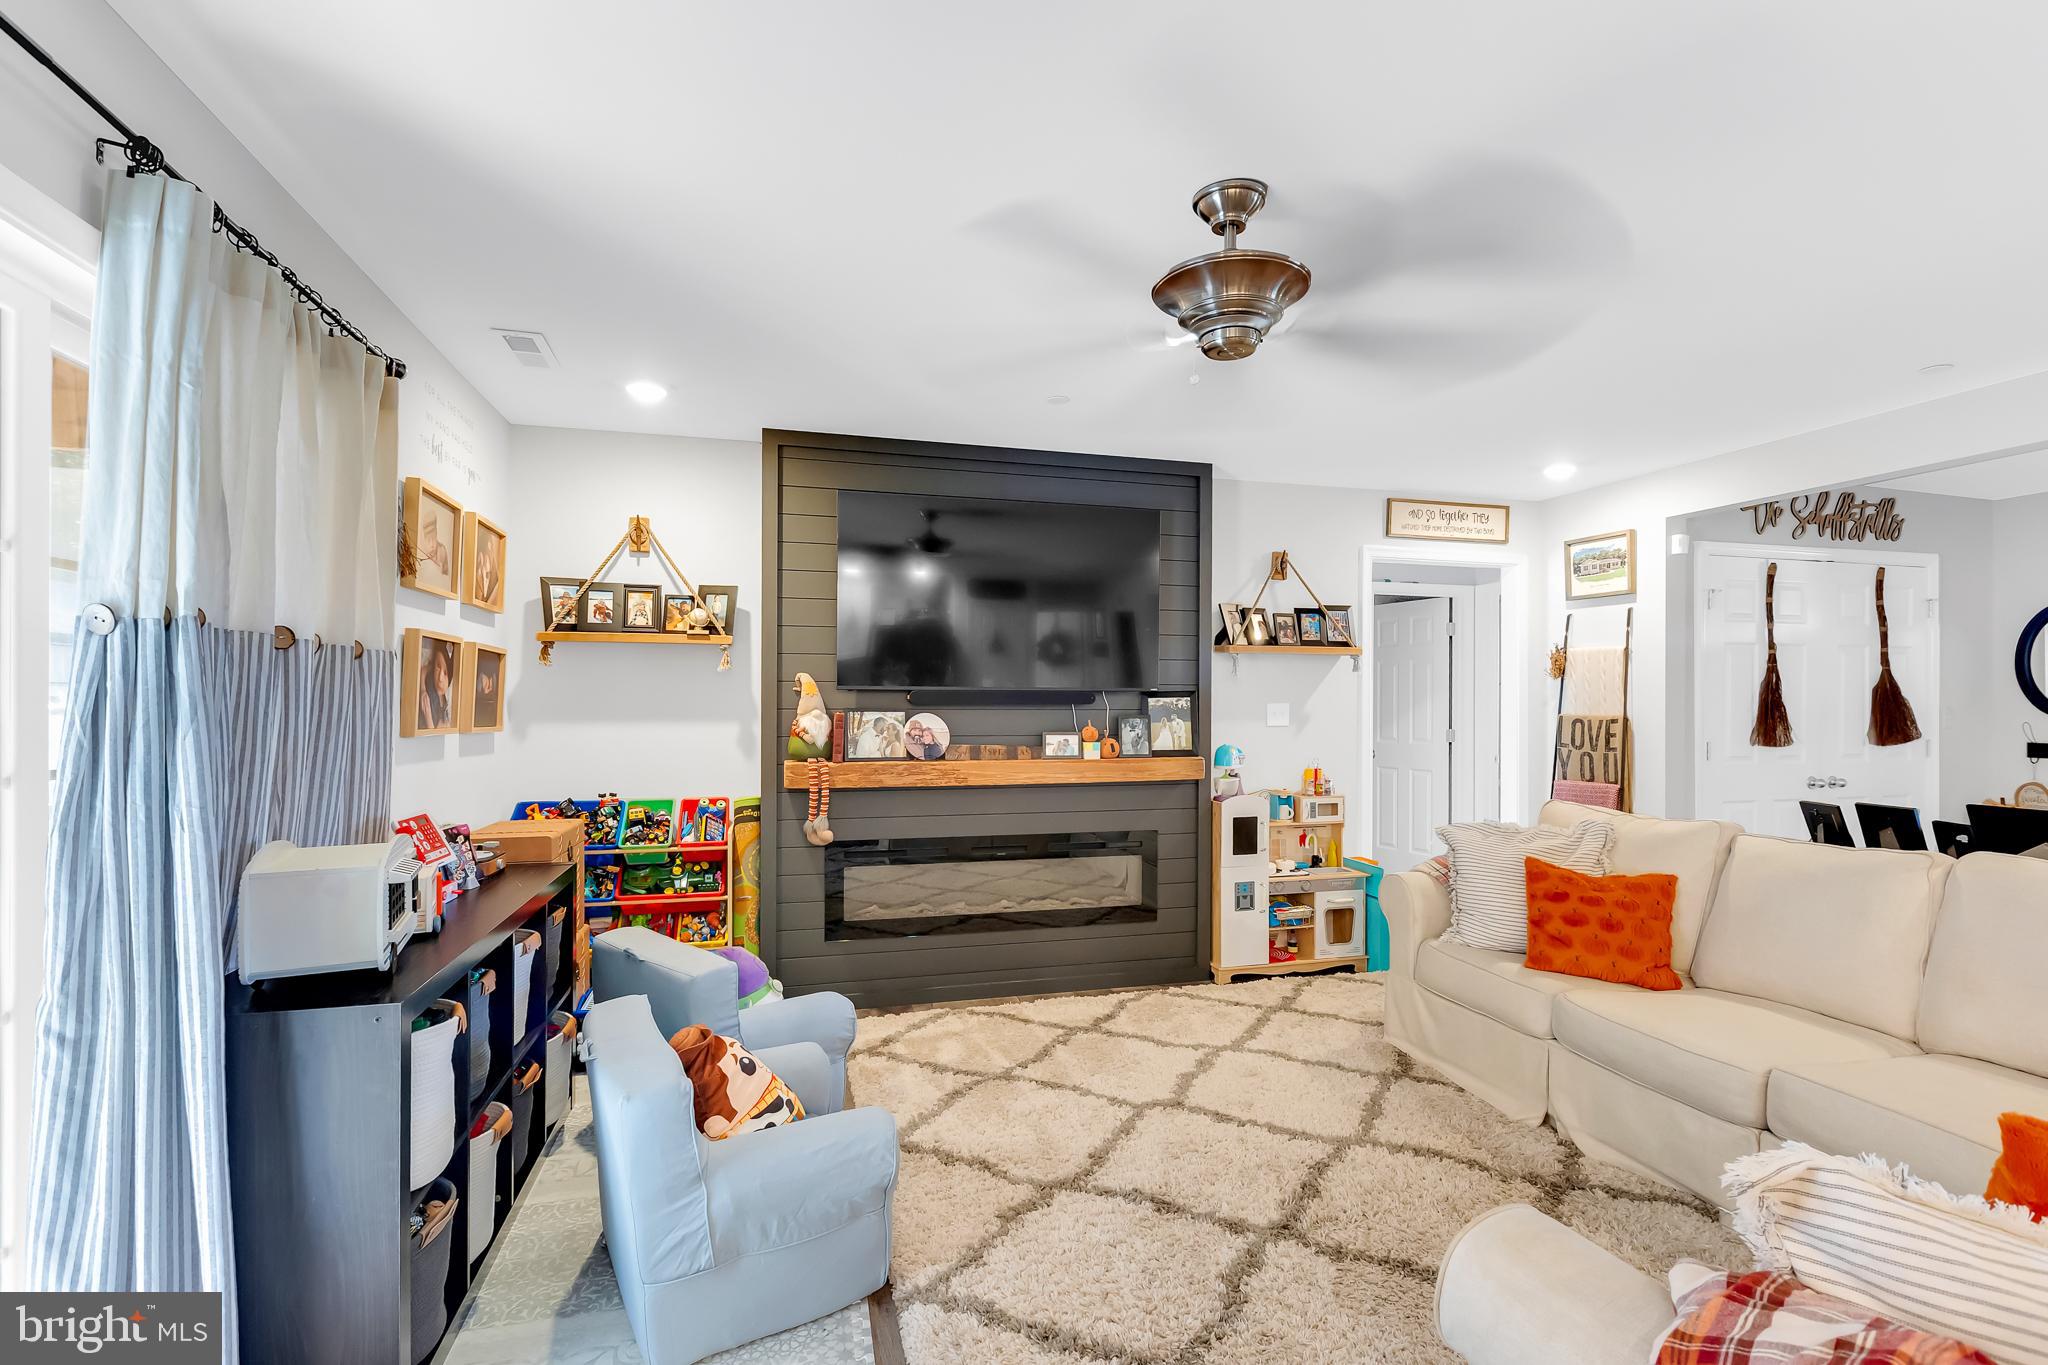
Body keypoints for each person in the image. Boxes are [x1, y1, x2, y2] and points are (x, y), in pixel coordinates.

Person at [419, 642, 455, 730]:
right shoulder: (430, 693)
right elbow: (424, 669)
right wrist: (423, 689)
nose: (440, 678)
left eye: (445, 673)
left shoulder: (447, 701)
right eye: (438, 667)